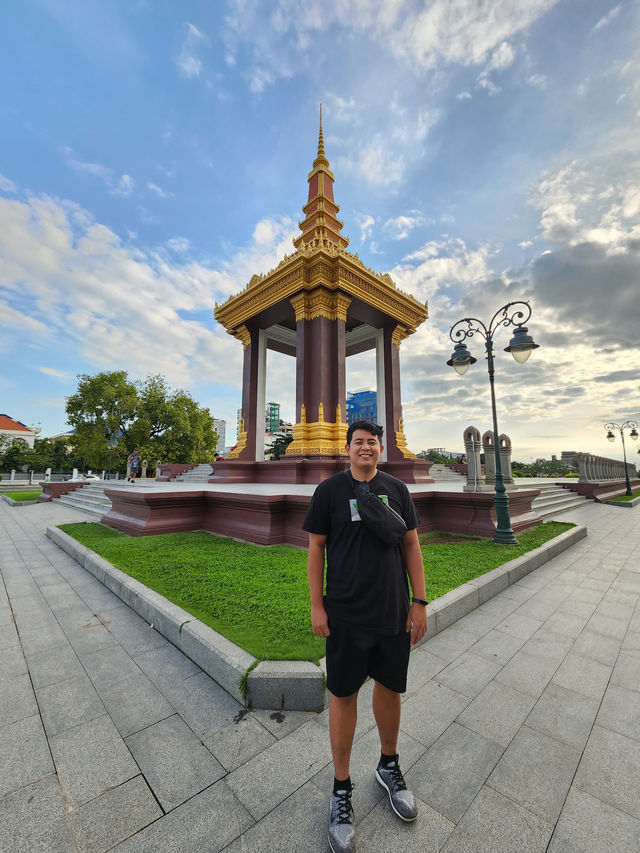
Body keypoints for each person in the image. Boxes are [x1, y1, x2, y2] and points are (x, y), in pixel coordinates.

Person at [303, 420, 428, 853]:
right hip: (345, 615)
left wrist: (420, 602)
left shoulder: (397, 488)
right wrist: (318, 605)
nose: (365, 448)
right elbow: (316, 547)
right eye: (358, 442)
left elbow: (411, 544)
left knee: (391, 690)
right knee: (343, 696)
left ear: (380, 448)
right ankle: (341, 789)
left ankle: (388, 765)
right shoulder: (330, 491)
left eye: (372, 442)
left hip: (392, 611)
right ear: (347, 448)